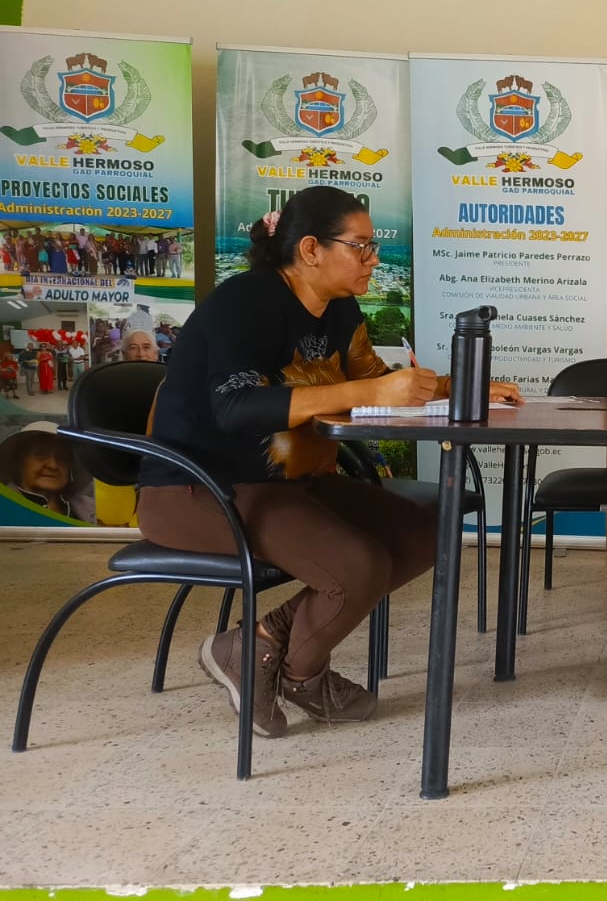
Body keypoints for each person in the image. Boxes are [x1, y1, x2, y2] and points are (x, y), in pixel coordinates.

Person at [137, 186, 522, 740]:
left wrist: (460, 387)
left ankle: (262, 647)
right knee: (358, 565)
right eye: (360, 246)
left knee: (427, 533)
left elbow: (376, 382)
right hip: (198, 490)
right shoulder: (243, 302)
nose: (374, 259)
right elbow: (235, 407)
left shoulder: (340, 308)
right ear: (311, 250)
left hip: (293, 482)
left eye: (373, 247)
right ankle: (301, 672)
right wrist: (368, 391)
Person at [0, 426, 94, 521]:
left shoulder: (92, 509)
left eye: (61, 457)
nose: (53, 465)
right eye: (41, 456)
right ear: (19, 463)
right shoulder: (4, 506)